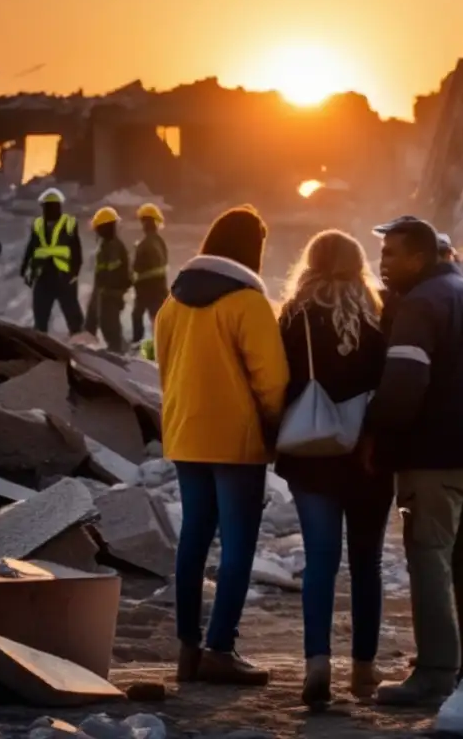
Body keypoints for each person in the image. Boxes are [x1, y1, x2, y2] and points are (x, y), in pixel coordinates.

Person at [362, 216, 463, 706]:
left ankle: (433, 673)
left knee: (429, 557)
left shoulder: (420, 304)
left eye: (392, 254)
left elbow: (403, 386)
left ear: (420, 258)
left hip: (435, 455)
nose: (382, 264)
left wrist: (374, 435)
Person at [155, 205, 289, 686]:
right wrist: (277, 428)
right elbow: (272, 380)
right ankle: (221, 649)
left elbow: (164, 370)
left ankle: (187, 650)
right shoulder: (248, 303)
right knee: (237, 545)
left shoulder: (172, 303)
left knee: (192, 540)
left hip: (185, 435)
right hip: (235, 441)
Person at [275, 230, 392, 709]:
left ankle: (316, 664)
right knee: (367, 563)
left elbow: (277, 381)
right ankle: (364, 669)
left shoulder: (293, 316)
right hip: (368, 457)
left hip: (311, 455)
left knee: (321, 561)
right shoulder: (380, 316)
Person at [20, 188, 84, 336]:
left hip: (63, 276)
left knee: (73, 317)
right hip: (43, 275)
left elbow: (76, 250)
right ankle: (40, 345)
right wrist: (25, 268)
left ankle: (80, 344)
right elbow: (32, 246)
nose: (49, 210)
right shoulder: (38, 224)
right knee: (40, 318)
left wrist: (75, 273)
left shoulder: (69, 223)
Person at [84, 207, 131, 353]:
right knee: (104, 323)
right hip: (105, 294)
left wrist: (106, 292)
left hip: (111, 294)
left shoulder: (114, 246)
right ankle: (118, 351)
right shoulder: (105, 247)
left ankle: (120, 354)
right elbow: (100, 277)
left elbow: (114, 275)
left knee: (110, 326)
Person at [131, 202, 170, 344]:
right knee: (153, 318)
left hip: (149, 289)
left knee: (143, 317)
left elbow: (138, 267)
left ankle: (140, 345)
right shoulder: (158, 241)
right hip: (156, 288)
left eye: (145, 221)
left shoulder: (147, 243)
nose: (144, 225)